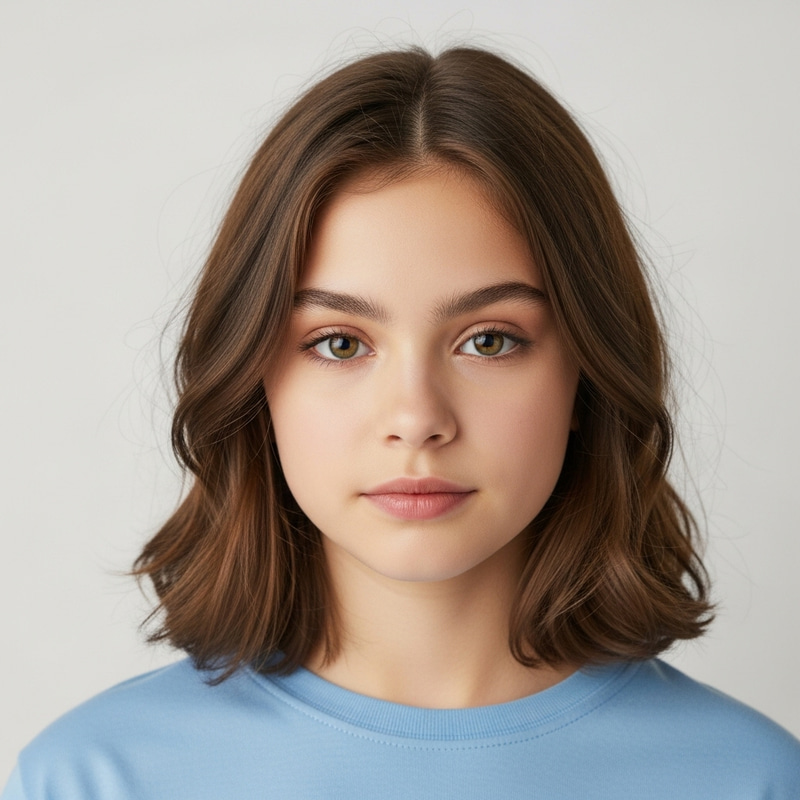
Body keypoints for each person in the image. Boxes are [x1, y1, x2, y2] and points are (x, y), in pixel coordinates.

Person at [3, 45, 799, 799]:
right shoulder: (92, 781)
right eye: (340, 343)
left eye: (488, 340)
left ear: (588, 373)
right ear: (253, 381)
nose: (416, 419)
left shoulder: (752, 780)